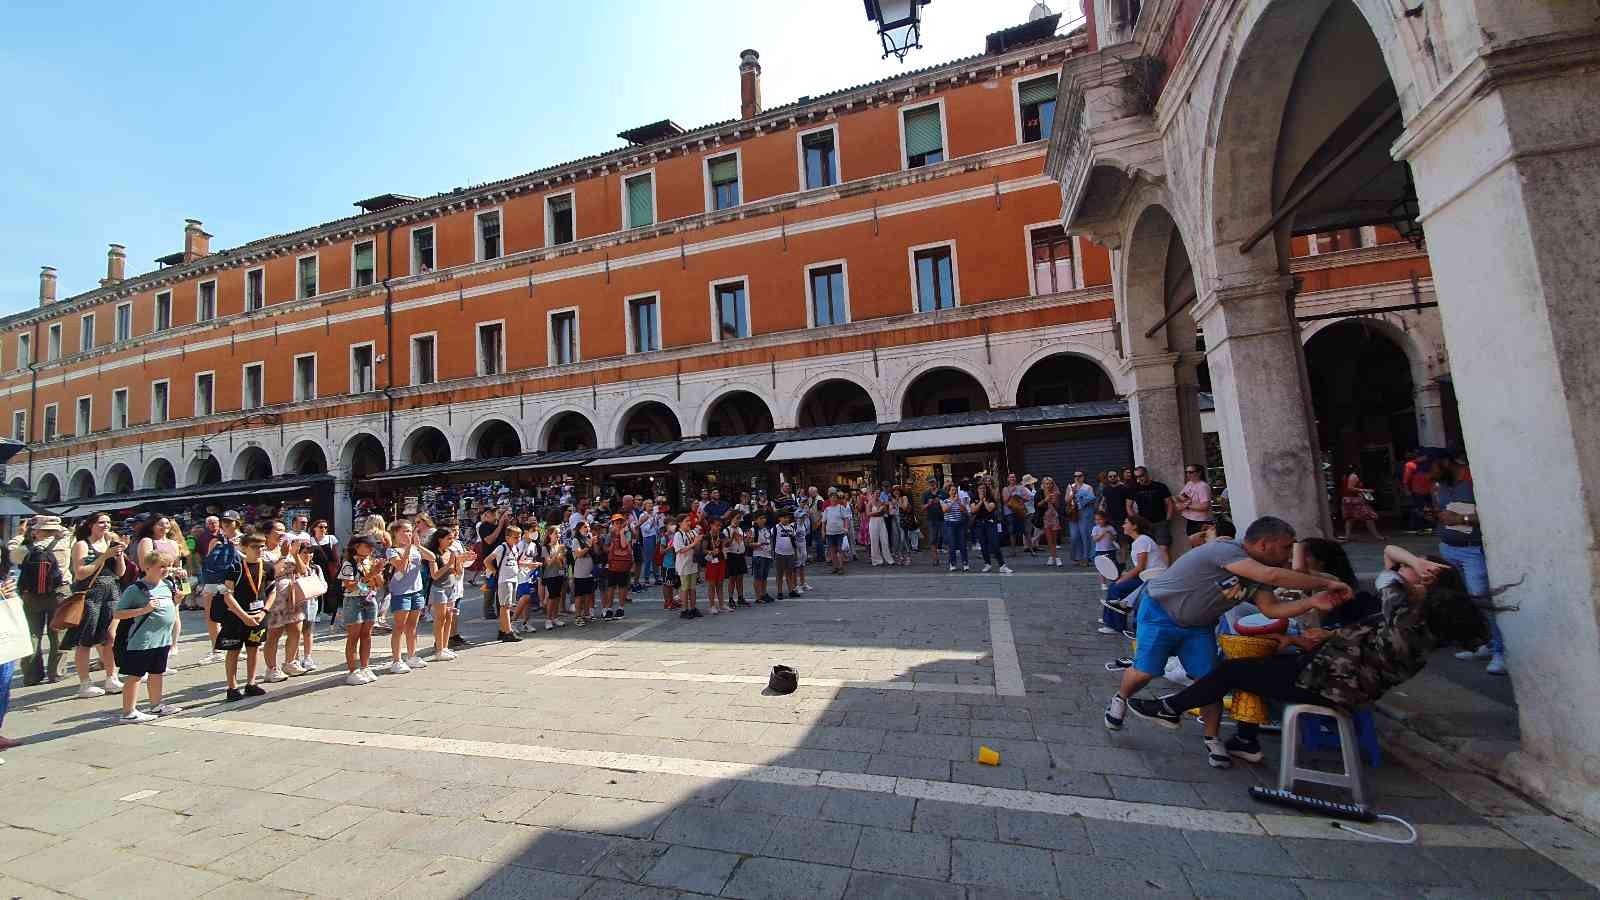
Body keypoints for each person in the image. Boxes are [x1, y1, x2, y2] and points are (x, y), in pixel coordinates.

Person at [1125, 546, 1487, 764]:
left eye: (1413, 569)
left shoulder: (1405, 613)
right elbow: (1376, 636)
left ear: (1423, 582)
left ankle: (1173, 708)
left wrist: (1411, 564)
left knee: (1233, 670)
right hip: (1335, 673)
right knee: (1255, 662)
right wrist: (1325, 635)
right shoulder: (1425, 623)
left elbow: (1387, 566)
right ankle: (1244, 739)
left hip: (1325, 682)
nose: (1402, 569)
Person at [1102, 516, 1354, 769]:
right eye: (1287, 546)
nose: (1290, 553)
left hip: (1199, 626)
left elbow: (1271, 609)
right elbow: (1273, 575)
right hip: (1160, 614)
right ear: (1265, 544)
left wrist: (1312, 602)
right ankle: (1120, 698)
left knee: (1209, 680)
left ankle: (1212, 739)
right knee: (1146, 672)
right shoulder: (1226, 550)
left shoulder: (1260, 575)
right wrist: (1327, 583)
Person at [1432, 449, 1503, 675]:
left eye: (1431, 467)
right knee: (1464, 600)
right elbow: (1444, 512)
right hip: (1448, 548)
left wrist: (1460, 519)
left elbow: (1493, 514)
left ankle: (1502, 652)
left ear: (1445, 462)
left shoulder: (1474, 481)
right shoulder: (1442, 485)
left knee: (1481, 599)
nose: (1428, 473)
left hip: (1471, 551)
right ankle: (1483, 643)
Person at [110, 548, 183, 723]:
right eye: (161, 566)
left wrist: (177, 600)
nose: (165, 570)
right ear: (148, 567)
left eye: (168, 566)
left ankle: (156, 705)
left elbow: (170, 605)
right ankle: (129, 712)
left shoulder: (168, 585)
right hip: (142, 640)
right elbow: (118, 613)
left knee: (157, 672)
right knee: (135, 675)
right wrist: (144, 610)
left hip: (162, 638)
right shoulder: (136, 589)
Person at [68, 513, 127, 699]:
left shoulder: (110, 544)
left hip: (112, 593)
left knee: (109, 637)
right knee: (86, 639)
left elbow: (120, 572)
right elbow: (80, 573)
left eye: (108, 522)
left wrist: (119, 555)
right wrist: (104, 557)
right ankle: (85, 683)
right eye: (101, 522)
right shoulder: (82, 545)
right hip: (91, 595)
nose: (106, 525)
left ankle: (112, 677)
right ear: (91, 525)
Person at [8, 515, 71, 686]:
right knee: (58, 633)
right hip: (59, 592)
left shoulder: (26, 549)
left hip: (31, 595)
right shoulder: (64, 544)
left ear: (37, 531)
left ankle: (31, 675)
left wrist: (21, 534)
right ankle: (56, 673)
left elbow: (11, 553)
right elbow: (67, 532)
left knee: (33, 634)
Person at [216, 533, 270, 702]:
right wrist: (244, 616)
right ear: (243, 548)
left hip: (258, 616)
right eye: (255, 546)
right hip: (236, 617)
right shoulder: (234, 568)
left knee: (254, 648)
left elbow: (272, 591)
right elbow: (227, 595)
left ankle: (251, 683)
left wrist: (264, 611)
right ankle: (232, 687)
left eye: (262, 546)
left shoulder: (268, 567)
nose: (259, 550)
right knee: (233, 651)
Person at [1099, 514, 1165, 635]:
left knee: (1117, 588)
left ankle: (1115, 625)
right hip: (1146, 576)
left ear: (1134, 526)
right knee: (1115, 586)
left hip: (1151, 578)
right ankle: (1109, 619)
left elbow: (1141, 567)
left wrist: (1123, 578)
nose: (1123, 525)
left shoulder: (1142, 540)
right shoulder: (1139, 541)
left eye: (1126, 523)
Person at [385, 521, 436, 673]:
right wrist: (407, 548)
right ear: (395, 534)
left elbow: (432, 557)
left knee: (412, 627)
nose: (407, 534)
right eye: (404, 531)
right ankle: (396, 660)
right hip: (401, 592)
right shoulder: (392, 551)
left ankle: (412, 656)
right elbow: (402, 567)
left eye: (409, 531)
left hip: (417, 590)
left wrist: (417, 545)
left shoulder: (414, 548)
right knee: (399, 626)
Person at [196, 511, 243, 663]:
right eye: (224, 521)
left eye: (230, 521)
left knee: (235, 615)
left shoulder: (244, 539)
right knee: (211, 615)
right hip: (214, 582)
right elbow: (210, 563)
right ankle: (216, 650)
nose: (226, 524)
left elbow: (250, 560)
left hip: (235, 582)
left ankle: (236, 646)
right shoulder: (216, 540)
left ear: (237, 522)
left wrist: (236, 550)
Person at [338, 536, 382, 683]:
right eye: (368, 546)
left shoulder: (370, 562)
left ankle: (365, 667)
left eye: (372, 547)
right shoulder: (348, 564)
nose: (371, 549)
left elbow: (378, 584)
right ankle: (353, 671)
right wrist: (371, 574)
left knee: (367, 635)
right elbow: (350, 585)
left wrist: (378, 573)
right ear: (357, 547)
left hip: (369, 599)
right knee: (353, 636)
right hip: (353, 600)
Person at [426, 522, 469, 658]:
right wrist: (449, 564)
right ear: (440, 539)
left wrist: (460, 562)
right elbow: (435, 575)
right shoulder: (434, 555)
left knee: (449, 617)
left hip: (451, 588)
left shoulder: (451, 552)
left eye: (452, 538)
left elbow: (457, 572)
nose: (451, 541)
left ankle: (445, 647)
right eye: (448, 539)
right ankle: (439, 649)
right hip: (439, 589)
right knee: (440, 618)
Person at [484, 524, 525, 642]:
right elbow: (487, 561)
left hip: (513, 579)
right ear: (507, 537)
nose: (518, 539)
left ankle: (503, 630)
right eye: (515, 537)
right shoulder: (502, 547)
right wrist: (494, 572)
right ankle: (508, 632)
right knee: (505, 606)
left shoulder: (516, 548)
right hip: (504, 580)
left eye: (519, 537)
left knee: (509, 605)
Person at [1127, 467, 1175, 549]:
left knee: (1163, 548)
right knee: (1147, 549)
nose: (1139, 478)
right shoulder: (1133, 489)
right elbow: (1128, 506)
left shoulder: (1160, 486)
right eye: (1137, 477)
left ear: (1146, 474)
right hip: (1144, 524)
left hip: (1160, 522)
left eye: (1141, 475)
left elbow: (1169, 503)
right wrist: (1136, 520)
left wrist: (1168, 519)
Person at [969, 484, 1012, 574]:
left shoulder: (991, 498)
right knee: (983, 545)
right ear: (977, 490)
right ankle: (987, 564)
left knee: (995, 543)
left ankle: (1002, 565)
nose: (982, 490)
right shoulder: (974, 499)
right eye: (980, 488)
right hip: (979, 524)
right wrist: (980, 501)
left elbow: (989, 509)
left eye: (984, 488)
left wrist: (984, 501)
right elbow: (973, 510)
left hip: (990, 523)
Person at [1339, 465, 1386, 542]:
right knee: (1368, 517)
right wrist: (1365, 490)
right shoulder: (1353, 476)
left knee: (1350, 518)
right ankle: (1377, 536)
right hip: (1354, 500)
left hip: (1346, 499)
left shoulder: (1344, 476)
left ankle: (1347, 536)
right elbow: (1350, 488)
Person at [601, 514, 633, 620]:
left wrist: (622, 533)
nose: (618, 524)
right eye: (616, 522)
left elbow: (624, 545)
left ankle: (621, 608)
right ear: (613, 523)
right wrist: (611, 547)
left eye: (620, 522)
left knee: (622, 586)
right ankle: (609, 608)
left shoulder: (627, 533)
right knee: (611, 586)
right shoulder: (610, 535)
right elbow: (605, 548)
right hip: (613, 563)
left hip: (624, 563)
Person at [672, 515, 702, 618]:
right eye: (686, 521)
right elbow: (680, 550)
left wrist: (698, 542)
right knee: (684, 588)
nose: (689, 523)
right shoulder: (678, 535)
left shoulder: (692, 532)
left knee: (692, 588)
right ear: (680, 523)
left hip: (692, 564)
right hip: (683, 565)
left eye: (690, 521)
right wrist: (694, 543)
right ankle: (684, 610)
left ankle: (693, 608)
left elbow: (697, 547)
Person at [1099, 469, 1132, 563]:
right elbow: (1103, 502)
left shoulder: (1124, 488)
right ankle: (1113, 563)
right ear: (1108, 478)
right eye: (1110, 476)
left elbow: (1129, 504)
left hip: (1123, 519)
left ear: (1118, 476)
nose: (1112, 478)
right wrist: (1101, 513)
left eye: (1114, 476)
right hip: (1110, 520)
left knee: (1123, 542)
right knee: (1110, 542)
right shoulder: (1106, 489)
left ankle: (1123, 563)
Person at [539, 526, 568, 631]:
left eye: (559, 533)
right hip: (549, 575)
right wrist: (557, 554)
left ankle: (555, 617)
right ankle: (548, 619)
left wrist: (561, 557)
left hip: (559, 574)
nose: (558, 535)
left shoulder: (561, 546)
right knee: (551, 597)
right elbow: (549, 563)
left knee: (557, 596)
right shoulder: (545, 548)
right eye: (556, 533)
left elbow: (562, 565)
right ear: (550, 534)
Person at [1069, 471, 1099, 567]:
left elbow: (1092, 499)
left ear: (1083, 477)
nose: (1077, 478)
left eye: (1079, 476)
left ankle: (1086, 557)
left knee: (1085, 535)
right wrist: (1073, 494)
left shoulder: (1088, 487)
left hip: (1085, 513)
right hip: (1074, 513)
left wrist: (1081, 497)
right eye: (1075, 476)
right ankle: (1078, 556)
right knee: (1075, 536)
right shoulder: (1071, 486)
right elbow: (1066, 500)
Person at [1176, 464, 1215, 538]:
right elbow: (1181, 496)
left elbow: (1205, 506)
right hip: (1191, 519)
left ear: (1199, 473)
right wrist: (1185, 500)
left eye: (1191, 472)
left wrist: (1186, 506)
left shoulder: (1203, 486)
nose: (1188, 474)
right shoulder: (1189, 483)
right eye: (1186, 472)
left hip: (1201, 521)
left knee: (1201, 544)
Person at [569, 521, 597, 625]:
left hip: (589, 571)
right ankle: (578, 616)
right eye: (585, 527)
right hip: (580, 571)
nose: (587, 529)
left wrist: (594, 544)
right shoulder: (576, 540)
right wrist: (589, 545)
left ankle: (586, 614)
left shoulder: (587, 538)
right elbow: (578, 554)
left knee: (588, 594)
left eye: (588, 527)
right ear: (579, 529)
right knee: (579, 595)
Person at [940, 482, 970, 572]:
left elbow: (964, 510)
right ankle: (953, 564)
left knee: (962, 544)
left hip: (959, 524)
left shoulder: (959, 500)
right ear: (949, 492)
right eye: (952, 490)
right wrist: (953, 501)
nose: (954, 492)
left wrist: (959, 502)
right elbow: (945, 510)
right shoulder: (944, 501)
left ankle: (965, 563)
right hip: (949, 524)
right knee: (952, 545)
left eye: (955, 490)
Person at [822, 493, 851, 575]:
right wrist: (823, 532)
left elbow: (846, 519)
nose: (833, 499)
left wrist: (846, 528)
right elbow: (823, 522)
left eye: (835, 498)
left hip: (840, 532)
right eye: (832, 498)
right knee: (832, 551)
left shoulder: (841, 508)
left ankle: (841, 567)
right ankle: (835, 567)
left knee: (840, 550)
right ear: (829, 499)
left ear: (837, 499)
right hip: (830, 533)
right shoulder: (827, 509)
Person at [773, 508, 799, 597]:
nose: (786, 519)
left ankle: (791, 590)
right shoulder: (776, 528)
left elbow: (794, 540)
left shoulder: (791, 527)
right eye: (783, 517)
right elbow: (772, 539)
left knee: (790, 573)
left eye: (787, 517)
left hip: (790, 553)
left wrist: (795, 552)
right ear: (779, 518)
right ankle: (779, 592)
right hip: (779, 553)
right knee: (779, 574)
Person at [1091, 511, 1119, 591]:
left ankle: (1114, 581)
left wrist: (1110, 534)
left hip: (1111, 550)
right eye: (1096, 520)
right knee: (1102, 568)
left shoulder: (1110, 528)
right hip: (1100, 551)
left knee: (1113, 566)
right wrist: (1102, 534)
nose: (1098, 521)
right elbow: (1095, 539)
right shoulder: (1095, 528)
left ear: (1105, 519)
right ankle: (1103, 583)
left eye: (1100, 519)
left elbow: (1114, 538)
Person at [1039, 480, 1063, 567]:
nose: (1049, 485)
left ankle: (1056, 557)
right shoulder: (1040, 493)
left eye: (1050, 483)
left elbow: (1058, 506)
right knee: (1049, 538)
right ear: (1043, 484)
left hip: (1054, 516)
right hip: (1045, 517)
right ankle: (1053, 557)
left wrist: (1054, 500)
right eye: (1047, 484)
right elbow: (1037, 505)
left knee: (1054, 538)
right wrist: (1045, 500)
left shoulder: (1055, 493)